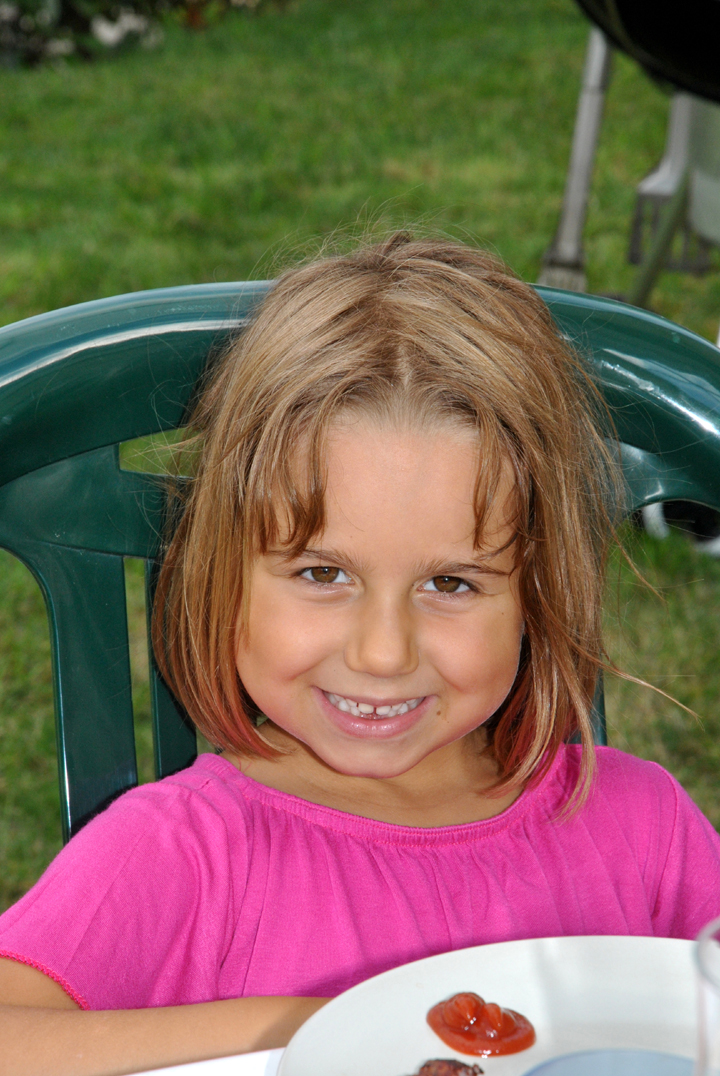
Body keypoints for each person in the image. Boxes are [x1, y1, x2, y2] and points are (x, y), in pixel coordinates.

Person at [0, 234, 718, 1075]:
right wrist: (320, 1029)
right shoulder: (185, 853)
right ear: (222, 573)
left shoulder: (642, 828)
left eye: (450, 583)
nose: (382, 653)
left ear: (537, 592)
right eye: (323, 573)